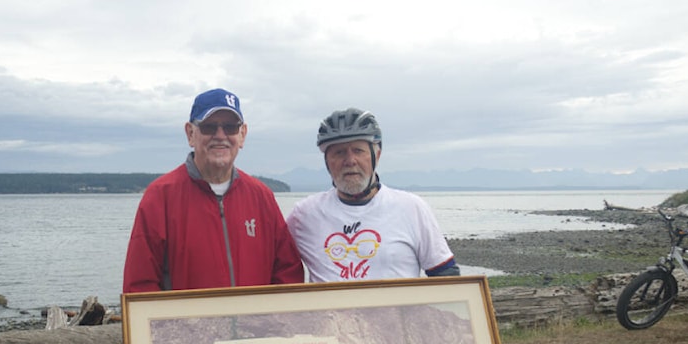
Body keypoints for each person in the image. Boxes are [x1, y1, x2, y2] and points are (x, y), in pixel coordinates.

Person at [123, 88, 304, 292]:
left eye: (230, 127)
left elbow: (288, 274)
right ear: (191, 134)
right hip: (186, 325)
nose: (220, 136)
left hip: (255, 325)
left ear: (242, 135)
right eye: (209, 127)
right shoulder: (160, 197)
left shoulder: (262, 197)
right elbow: (139, 284)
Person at [286, 108, 459, 282]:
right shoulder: (304, 214)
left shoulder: (412, 208)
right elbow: (277, 266)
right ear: (327, 161)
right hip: (330, 311)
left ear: (377, 154)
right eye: (339, 152)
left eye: (358, 151)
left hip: (398, 310)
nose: (350, 160)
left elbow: (445, 275)